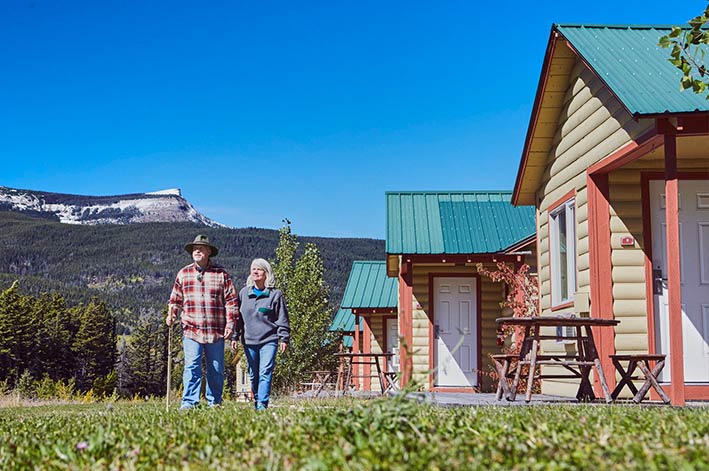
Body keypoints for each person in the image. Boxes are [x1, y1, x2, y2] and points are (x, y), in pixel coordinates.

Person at [167, 234, 238, 409]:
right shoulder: (183, 274)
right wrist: (172, 315)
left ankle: (214, 402)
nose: (197, 251)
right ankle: (189, 403)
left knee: (216, 369)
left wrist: (230, 324)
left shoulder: (221, 274)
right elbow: (175, 300)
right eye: (194, 248)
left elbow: (231, 301)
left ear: (208, 252)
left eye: (201, 248)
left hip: (216, 330)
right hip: (191, 329)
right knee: (192, 367)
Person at [231, 258, 290, 410]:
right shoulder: (244, 293)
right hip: (249, 341)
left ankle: (262, 405)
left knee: (265, 372)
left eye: (259, 269)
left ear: (266, 273)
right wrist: (234, 336)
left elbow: (282, 318)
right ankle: (257, 401)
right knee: (253, 374)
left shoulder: (275, 294)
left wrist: (284, 337)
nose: (255, 271)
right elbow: (238, 318)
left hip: (269, 340)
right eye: (253, 269)